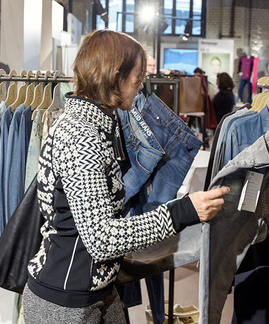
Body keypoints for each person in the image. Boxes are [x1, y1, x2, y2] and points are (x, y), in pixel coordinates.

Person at [23, 30, 230, 323]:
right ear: (114, 77)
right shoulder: (81, 136)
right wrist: (183, 211)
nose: (141, 85)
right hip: (66, 302)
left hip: (95, 291)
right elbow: (101, 239)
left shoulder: (98, 126)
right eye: (137, 78)